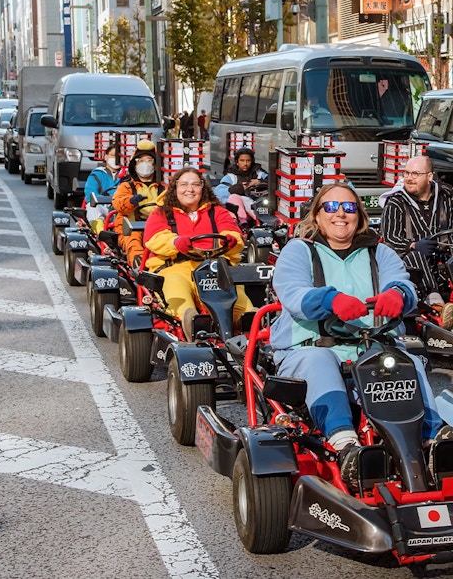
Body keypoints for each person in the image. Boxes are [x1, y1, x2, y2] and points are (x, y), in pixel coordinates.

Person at [270, 182, 448, 487]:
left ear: (360, 215)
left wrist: (399, 295)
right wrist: (330, 300)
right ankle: (345, 446)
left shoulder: (380, 252)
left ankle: (434, 440)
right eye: (331, 207)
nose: (341, 213)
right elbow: (293, 293)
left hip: (371, 345)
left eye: (349, 207)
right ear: (317, 214)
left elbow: (402, 283)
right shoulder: (298, 250)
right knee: (320, 361)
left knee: (407, 360)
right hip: (310, 347)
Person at [143, 167, 252, 340]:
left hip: (215, 266)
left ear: (203, 187)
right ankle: (192, 324)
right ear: (175, 188)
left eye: (195, 184)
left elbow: (233, 234)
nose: (190, 189)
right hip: (176, 267)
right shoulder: (162, 213)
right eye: (184, 184)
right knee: (178, 292)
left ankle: (248, 327)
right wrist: (176, 242)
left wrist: (230, 240)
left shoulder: (217, 211)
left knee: (239, 301)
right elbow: (154, 239)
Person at [380, 155, 453, 329]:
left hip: (444, 257)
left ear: (429, 176)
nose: (409, 178)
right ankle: (437, 306)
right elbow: (389, 238)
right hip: (413, 265)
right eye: (406, 173)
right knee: (415, 256)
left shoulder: (447, 196)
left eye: (415, 174)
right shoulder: (396, 202)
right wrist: (412, 245)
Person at [112, 140, 165, 269]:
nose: (145, 164)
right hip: (132, 226)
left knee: (165, 241)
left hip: (158, 225)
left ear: (156, 164)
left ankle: (162, 267)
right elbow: (117, 203)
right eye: (140, 161)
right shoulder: (126, 186)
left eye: (149, 160)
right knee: (133, 242)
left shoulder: (164, 188)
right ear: (134, 165)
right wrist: (132, 201)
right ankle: (139, 267)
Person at [214, 147, 268, 228]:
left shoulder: (260, 174)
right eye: (242, 161)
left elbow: (274, 182)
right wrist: (238, 188)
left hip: (261, 207)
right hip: (241, 211)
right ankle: (243, 223)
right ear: (237, 162)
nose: (245, 164)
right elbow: (218, 192)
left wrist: (260, 182)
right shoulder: (231, 177)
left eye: (248, 160)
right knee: (234, 197)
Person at [84, 144, 121, 233]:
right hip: (105, 208)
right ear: (106, 157)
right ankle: (101, 233)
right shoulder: (97, 174)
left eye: (119, 156)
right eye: (113, 155)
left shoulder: (128, 176)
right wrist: (107, 203)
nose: (116, 158)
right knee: (91, 206)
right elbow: (90, 195)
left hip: (122, 209)